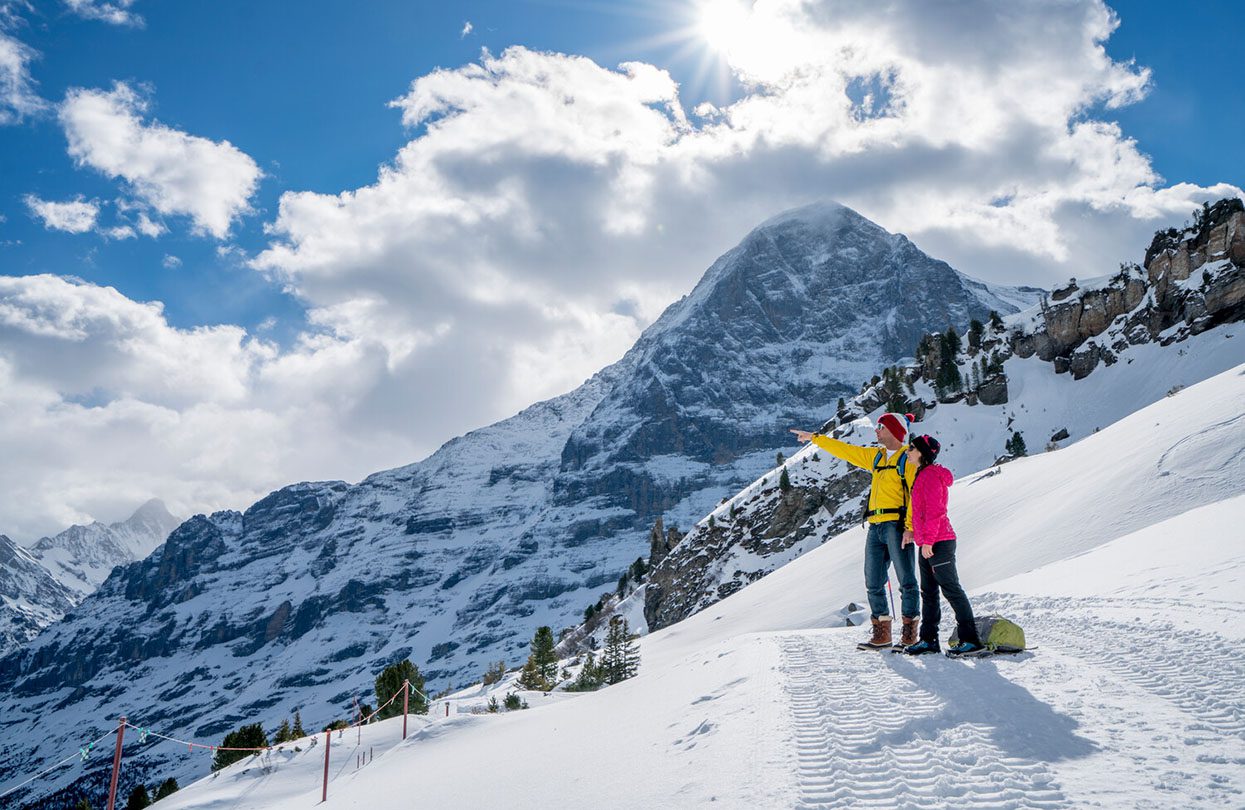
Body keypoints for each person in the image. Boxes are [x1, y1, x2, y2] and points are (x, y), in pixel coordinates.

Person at [790, 413, 919, 649]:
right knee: (873, 582)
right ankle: (883, 634)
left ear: (893, 430)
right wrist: (815, 439)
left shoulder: (907, 459)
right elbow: (845, 451)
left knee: (907, 581)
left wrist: (910, 527)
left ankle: (909, 635)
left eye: (881, 426)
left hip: (897, 526)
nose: (876, 430)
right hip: (875, 526)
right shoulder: (876, 457)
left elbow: (915, 496)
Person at [901, 434, 985, 657]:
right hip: (928, 542)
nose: (907, 451)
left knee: (952, 590)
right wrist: (915, 533)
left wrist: (928, 541)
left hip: (939, 542)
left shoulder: (929, 475)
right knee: (928, 593)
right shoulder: (922, 474)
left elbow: (936, 512)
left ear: (922, 452)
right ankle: (928, 640)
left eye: (911, 448)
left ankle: (971, 640)